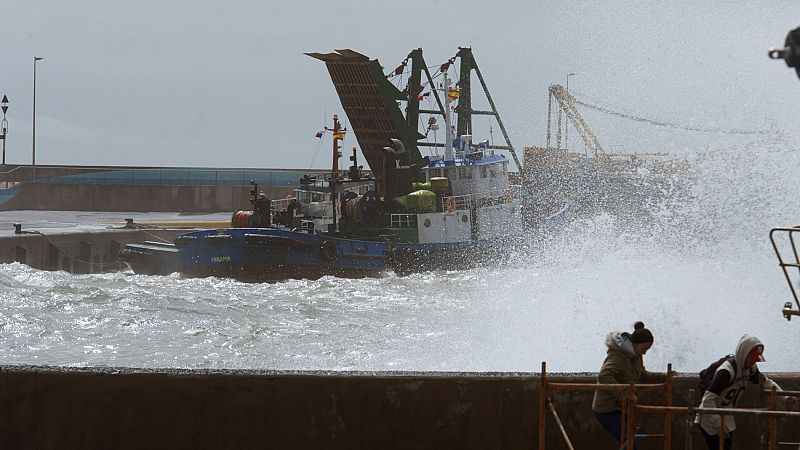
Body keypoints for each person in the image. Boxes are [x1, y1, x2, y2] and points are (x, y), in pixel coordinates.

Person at [696, 335, 797, 450]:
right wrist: (717, 423)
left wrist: (784, 396)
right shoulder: (726, 372)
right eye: (751, 359)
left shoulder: (750, 369)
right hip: (710, 418)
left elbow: (766, 382)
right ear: (744, 354)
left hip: (726, 417)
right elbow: (707, 399)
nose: (753, 362)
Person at [593, 321, 670, 449]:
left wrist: (665, 376)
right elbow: (604, 376)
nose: (645, 353)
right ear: (635, 344)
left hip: (623, 408)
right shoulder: (618, 356)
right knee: (631, 444)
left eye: (647, 349)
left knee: (629, 443)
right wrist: (624, 393)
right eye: (644, 349)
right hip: (608, 409)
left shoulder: (636, 355)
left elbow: (642, 375)